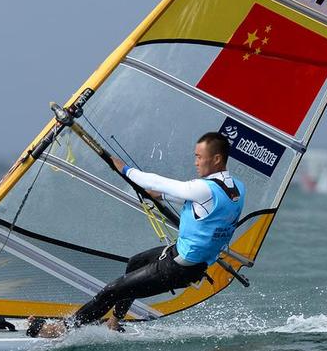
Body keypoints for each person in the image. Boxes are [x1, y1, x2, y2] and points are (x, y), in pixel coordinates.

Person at [27, 131, 246, 338]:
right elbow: (190, 201)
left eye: (199, 157)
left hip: (177, 268)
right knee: (136, 262)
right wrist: (157, 195)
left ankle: (60, 330)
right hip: (185, 259)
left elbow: (158, 182)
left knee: (111, 291)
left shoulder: (203, 188)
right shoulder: (236, 188)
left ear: (217, 159)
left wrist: (123, 169)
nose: (195, 162)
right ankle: (114, 321)